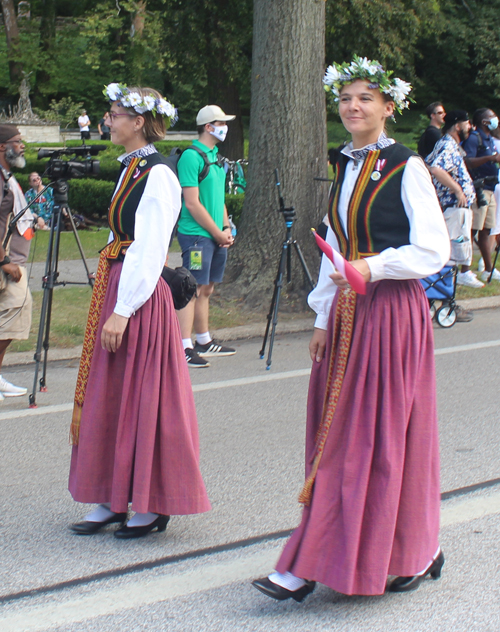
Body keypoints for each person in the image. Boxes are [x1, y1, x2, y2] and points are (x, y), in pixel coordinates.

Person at [252, 56, 450, 602]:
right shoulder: (345, 165)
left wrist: (376, 266)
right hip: (347, 313)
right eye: (344, 99)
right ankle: (409, 548)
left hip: (390, 312)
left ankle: (313, 561)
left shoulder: (406, 166)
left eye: (365, 98)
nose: (352, 107)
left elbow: (433, 250)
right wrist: (320, 316)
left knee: (370, 436)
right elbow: (334, 247)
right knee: (345, 431)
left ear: (389, 107)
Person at [68, 84, 211, 539]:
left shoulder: (159, 173)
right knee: (113, 391)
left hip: (140, 297)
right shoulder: (132, 168)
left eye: (114, 114)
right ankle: (112, 494)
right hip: (120, 285)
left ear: (139, 122)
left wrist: (124, 309)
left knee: (143, 394)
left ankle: (150, 502)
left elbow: (150, 247)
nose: (108, 121)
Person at [176, 105, 237, 368]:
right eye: (221, 122)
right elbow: (192, 203)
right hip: (197, 237)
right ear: (208, 127)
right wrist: (215, 232)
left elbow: (219, 199)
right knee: (192, 289)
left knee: (207, 288)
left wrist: (226, 229)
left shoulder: (215, 157)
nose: (225, 127)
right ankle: (183, 347)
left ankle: (203, 340)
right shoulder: (191, 157)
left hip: (214, 236)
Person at [426, 110, 476, 319]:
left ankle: (436, 300)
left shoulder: (448, 145)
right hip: (453, 208)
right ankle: (445, 302)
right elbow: (436, 168)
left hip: (453, 209)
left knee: (449, 256)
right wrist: (457, 189)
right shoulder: (447, 145)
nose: (469, 127)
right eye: (467, 124)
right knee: (451, 256)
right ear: (457, 125)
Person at [0, 125, 35, 400]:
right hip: (7, 264)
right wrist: (5, 262)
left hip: (11, 261)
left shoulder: (5, 177)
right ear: (2, 147)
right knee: (13, 315)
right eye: (17, 142)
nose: (22, 146)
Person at [462, 108, 500, 283]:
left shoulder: (490, 140)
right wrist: (490, 159)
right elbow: (467, 161)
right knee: (472, 229)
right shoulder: (473, 138)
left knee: (486, 230)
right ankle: (464, 270)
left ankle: (488, 269)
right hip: (479, 187)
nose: (495, 120)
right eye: (491, 117)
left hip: (491, 188)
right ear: (484, 121)